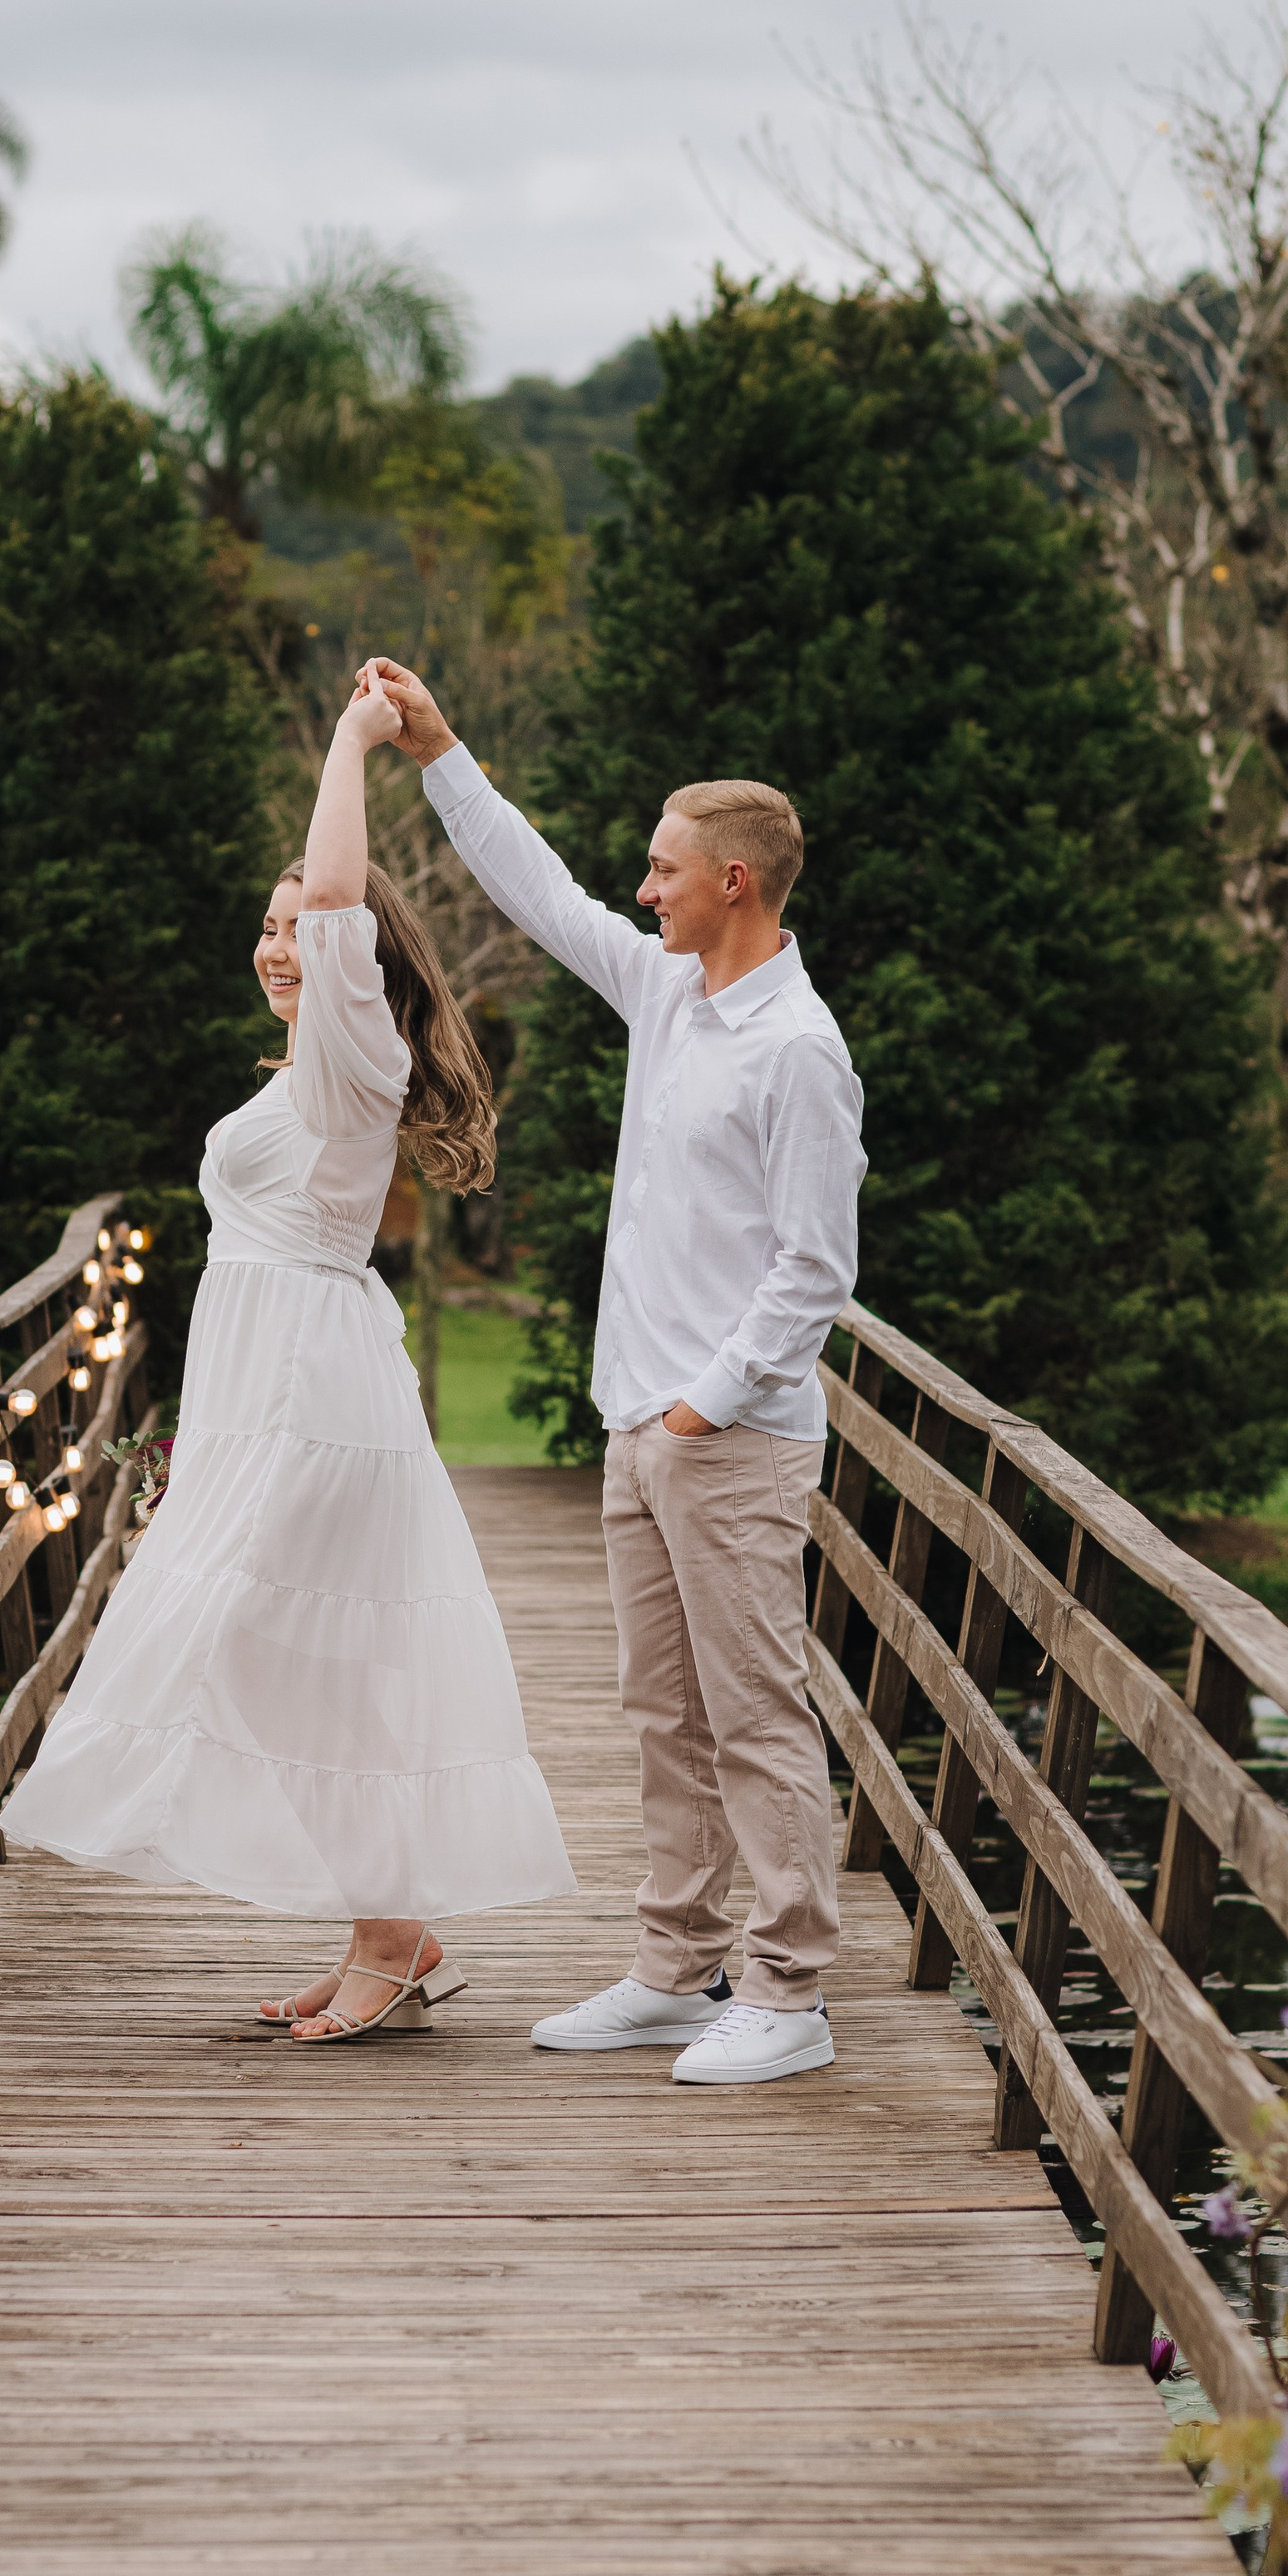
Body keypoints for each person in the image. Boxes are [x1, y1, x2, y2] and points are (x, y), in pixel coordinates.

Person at [2, 674, 575, 2041]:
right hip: (270, 1392)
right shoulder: (294, 1073)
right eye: (263, 929)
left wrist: (349, 743)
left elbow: (335, 907)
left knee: (276, 1647)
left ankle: (390, 1930)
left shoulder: (349, 1050)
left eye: (300, 929)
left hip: (317, 1393)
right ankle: (392, 1928)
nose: (279, 945)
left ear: (357, 958)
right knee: (283, 1659)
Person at [363, 659, 865, 2086]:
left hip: (733, 1436)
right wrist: (441, 750)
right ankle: (675, 1962)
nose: (642, 891)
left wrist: (710, 1399)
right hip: (638, 1428)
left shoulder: (801, 1052)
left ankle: (789, 1993)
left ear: (736, 882)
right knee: (663, 1714)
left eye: (664, 871)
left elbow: (814, 1270)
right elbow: (537, 890)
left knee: (757, 1713)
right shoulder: (666, 992)